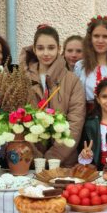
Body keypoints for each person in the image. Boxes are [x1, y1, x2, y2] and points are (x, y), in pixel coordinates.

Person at [21, 24, 86, 166]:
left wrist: (52, 158)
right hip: (30, 161)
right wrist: (36, 158)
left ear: (59, 49)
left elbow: (75, 124)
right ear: (34, 49)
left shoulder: (72, 81)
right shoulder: (23, 80)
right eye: (40, 48)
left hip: (64, 162)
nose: (46, 53)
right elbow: (18, 120)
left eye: (51, 48)